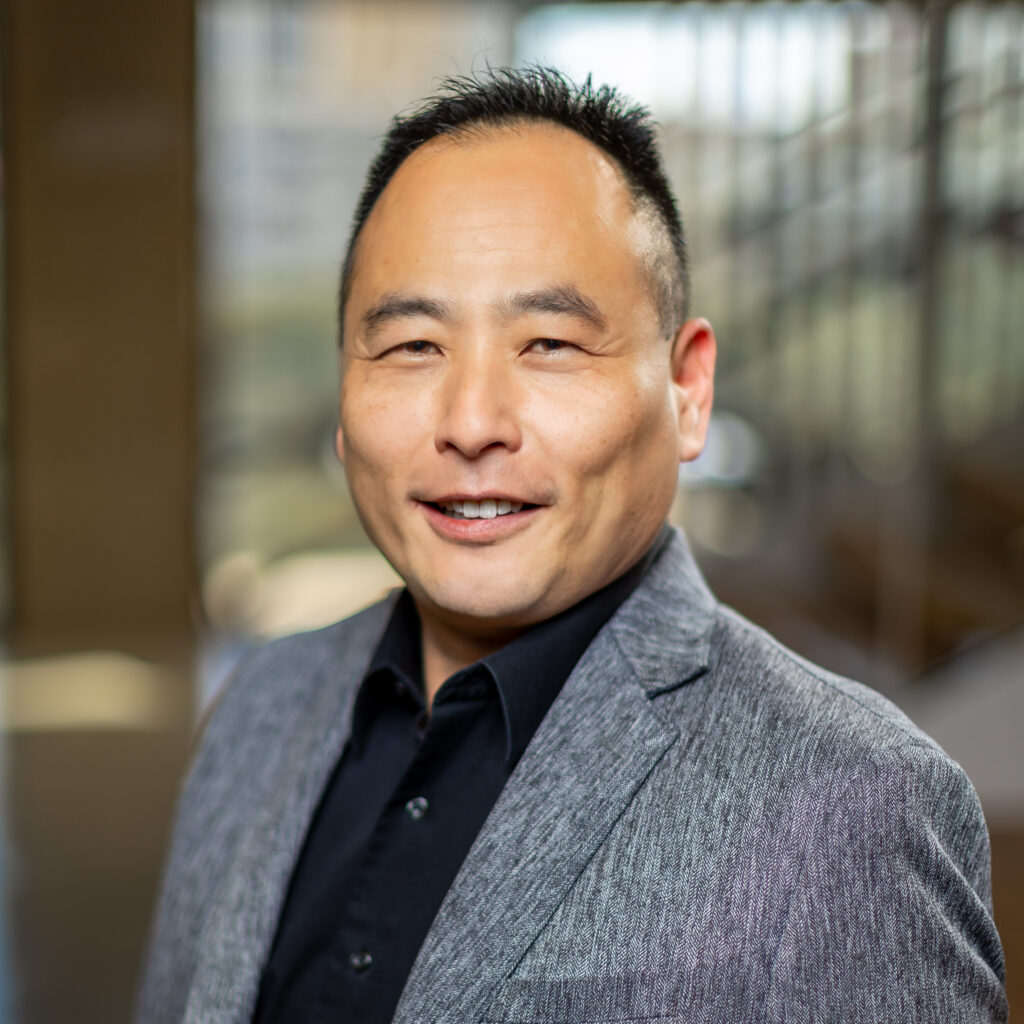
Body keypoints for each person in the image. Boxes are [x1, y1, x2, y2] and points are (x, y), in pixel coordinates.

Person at [137, 68, 1007, 1024]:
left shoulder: (856, 806)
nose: (471, 423)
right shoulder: (259, 704)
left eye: (549, 344)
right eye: (413, 346)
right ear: (344, 395)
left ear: (687, 391)